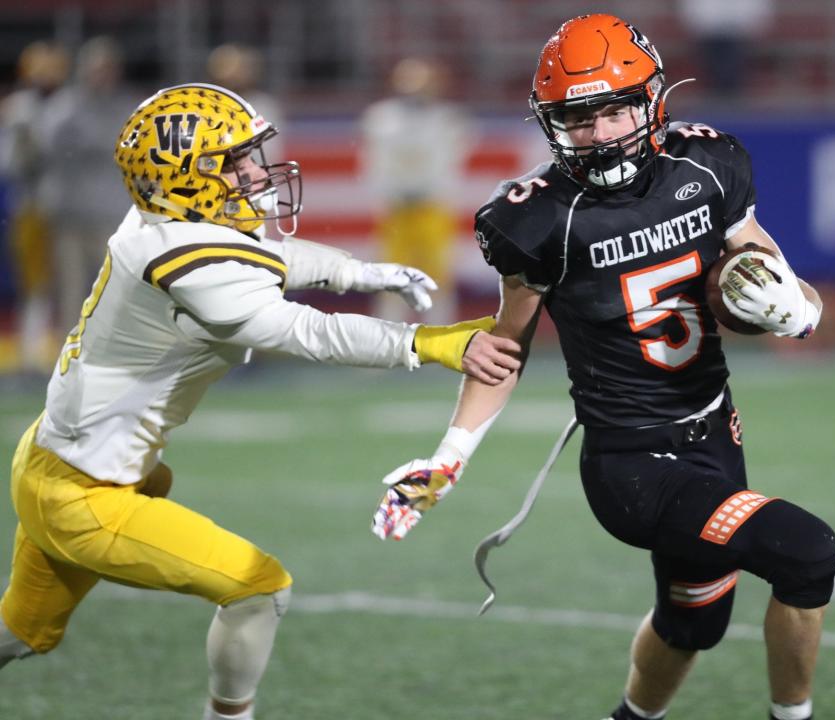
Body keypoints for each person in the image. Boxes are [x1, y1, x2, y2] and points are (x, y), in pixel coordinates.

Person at [0, 83, 521, 720]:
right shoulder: (187, 260)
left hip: (62, 463)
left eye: (250, 153)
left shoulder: (163, 221)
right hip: (83, 494)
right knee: (257, 588)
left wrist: (361, 273)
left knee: (19, 635)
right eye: (233, 160)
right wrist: (434, 343)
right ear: (186, 177)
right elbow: (311, 331)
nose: (253, 171)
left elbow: (257, 255)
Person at [371, 15, 835, 720]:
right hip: (632, 466)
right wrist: (450, 455)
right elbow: (506, 348)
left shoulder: (706, 165)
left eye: (614, 109)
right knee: (806, 552)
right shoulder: (535, 218)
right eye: (576, 118)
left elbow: (770, 272)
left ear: (651, 99)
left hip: (715, 436)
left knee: (693, 625)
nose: (598, 132)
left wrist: (799, 312)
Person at [35, 35, 138, 337]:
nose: (101, 76)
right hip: (69, 214)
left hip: (111, 215)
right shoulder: (64, 106)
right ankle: (70, 361)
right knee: (70, 291)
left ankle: (121, 354)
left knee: (119, 288)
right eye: (96, 69)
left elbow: (134, 151)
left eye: (106, 69)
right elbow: (46, 147)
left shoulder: (126, 106)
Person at [359, 57, 473, 324]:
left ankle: (442, 335)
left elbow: (452, 160)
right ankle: (386, 335)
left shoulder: (448, 119)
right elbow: (373, 162)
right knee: (389, 274)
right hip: (397, 206)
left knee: (437, 274)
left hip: (431, 205)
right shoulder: (381, 118)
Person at [0, 40, 70, 372]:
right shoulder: (19, 108)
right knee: (34, 284)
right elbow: (10, 163)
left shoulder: (70, 105)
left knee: (70, 282)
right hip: (31, 205)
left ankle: (64, 352)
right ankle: (31, 354)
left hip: (70, 207)